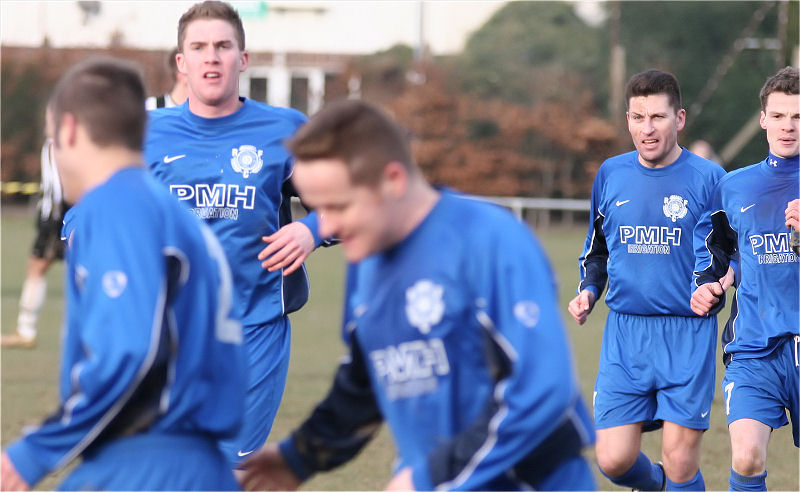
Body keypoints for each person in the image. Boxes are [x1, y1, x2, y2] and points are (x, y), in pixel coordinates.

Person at [239, 99, 596, 491]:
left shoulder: (488, 240)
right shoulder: (367, 262)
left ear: (392, 180)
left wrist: (428, 477)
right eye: (317, 208)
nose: (325, 225)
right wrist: (299, 457)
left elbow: (541, 391)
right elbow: (364, 384)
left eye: (337, 206)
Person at [0, 57, 245, 491]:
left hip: (144, 466)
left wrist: (34, 452)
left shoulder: (115, 205)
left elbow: (131, 350)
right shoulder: (171, 213)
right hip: (203, 467)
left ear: (70, 131)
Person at [144, 0, 327, 466]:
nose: (212, 57)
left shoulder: (284, 130)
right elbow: (90, 212)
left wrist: (311, 230)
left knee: (230, 469)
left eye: (223, 46)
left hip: (255, 328)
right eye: (199, 47)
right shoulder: (146, 134)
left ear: (242, 59)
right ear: (181, 62)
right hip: (167, 335)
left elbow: (350, 203)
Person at [568, 69, 727, 491]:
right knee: (613, 459)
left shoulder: (710, 178)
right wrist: (587, 290)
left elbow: (731, 252)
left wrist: (716, 286)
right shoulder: (610, 174)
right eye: (638, 117)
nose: (647, 128)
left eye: (657, 117)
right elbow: (596, 249)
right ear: (627, 120)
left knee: (679, 461)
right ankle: (655, 486)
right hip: (625, 334)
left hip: (686, 334)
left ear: (680, 119)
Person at [690, 66, 799, 491]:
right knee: (747, 458)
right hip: (755, 348)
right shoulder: (733, 187)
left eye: (797, 116)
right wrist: (706, 285)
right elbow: (716, 251)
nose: (787, 126)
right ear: (763, 119)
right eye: (779, 115)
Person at [1, 141, 70, 348]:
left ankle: (26, 329)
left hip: (59, 216)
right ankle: (25, 329)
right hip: (55, 214)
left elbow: (60, 185)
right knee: (37, 266)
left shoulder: (64, 140)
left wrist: (57, 214)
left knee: (40, 266)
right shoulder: (55, 139)